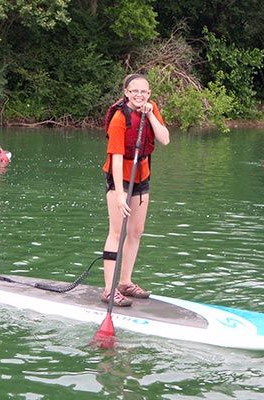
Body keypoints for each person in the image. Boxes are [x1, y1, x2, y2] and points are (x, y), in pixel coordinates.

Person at [101, 74, 170, 307]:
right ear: (126, 93)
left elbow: (165, 139)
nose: (139, 95)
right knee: (117, 231)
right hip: (119, 177)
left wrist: (150, 114)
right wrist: (120, 193)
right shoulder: (120, 118)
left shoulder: (152, 110)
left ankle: (125, 282)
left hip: (142, 175)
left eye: (144, 91)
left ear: (149, 93)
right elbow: (117, 157)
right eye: (135, 91)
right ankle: (109, 289)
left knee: (137, 231)